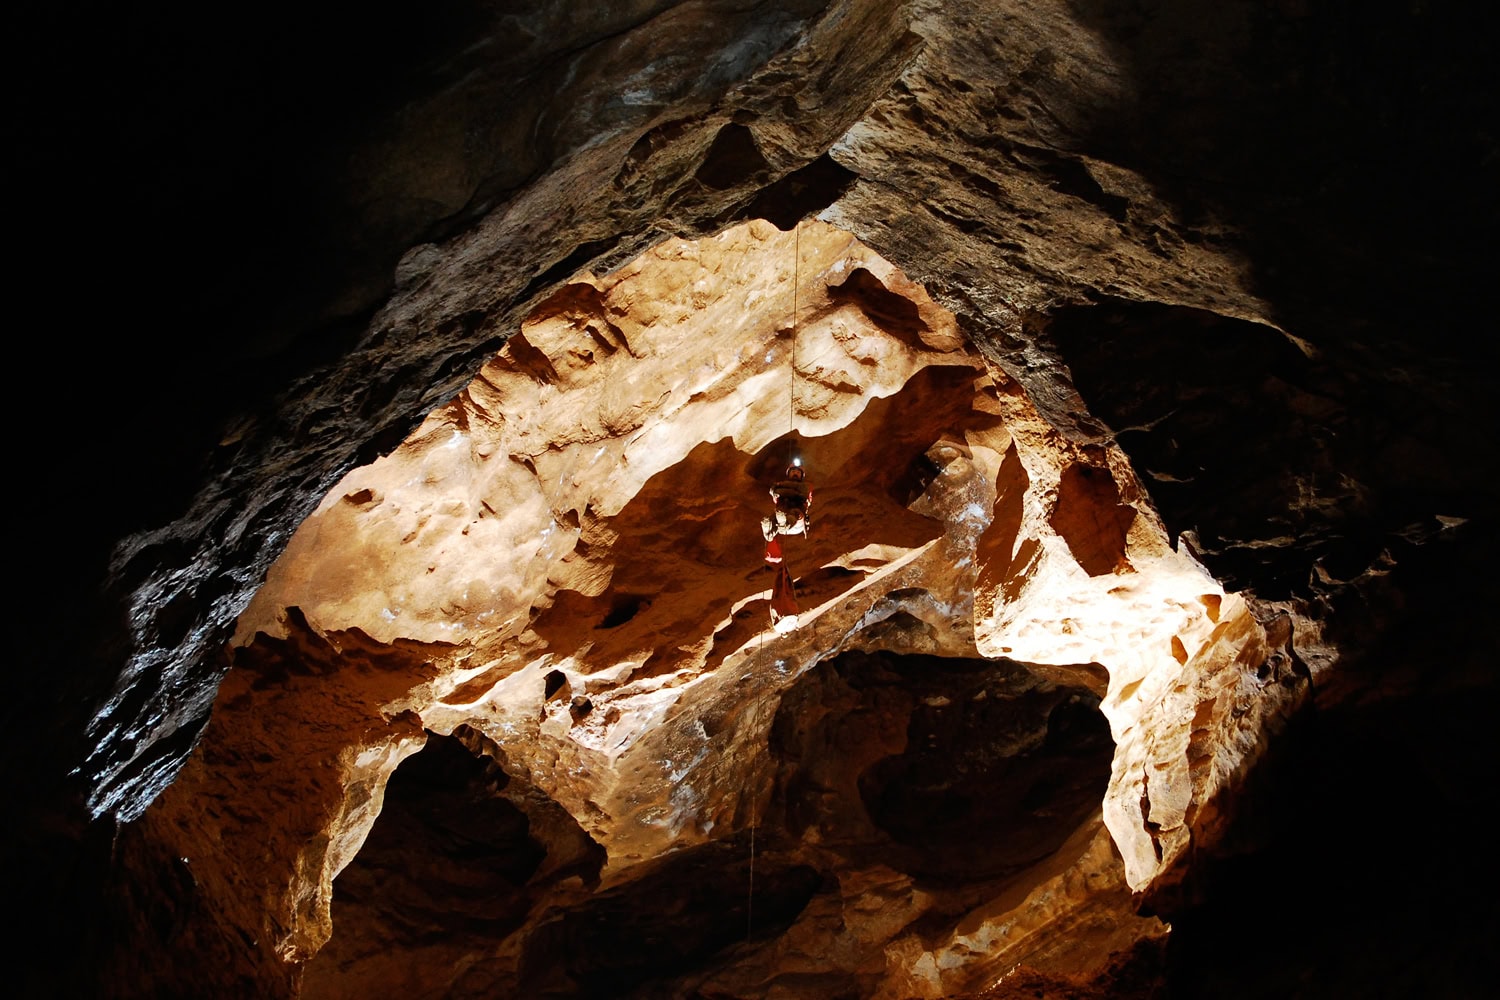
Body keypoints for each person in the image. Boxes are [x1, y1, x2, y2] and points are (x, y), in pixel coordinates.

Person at [761, 464, 812, 543]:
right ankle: (768, 532)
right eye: (793, 471)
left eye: (798, 472)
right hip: (783, 511)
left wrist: (781, 487)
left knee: (793, 514)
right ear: (789, 473)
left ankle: (784, 524)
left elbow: (799, 492)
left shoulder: (805, 486)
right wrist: (787, 491)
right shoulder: (779, 486)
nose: (795, 473)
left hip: (796, 519)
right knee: (774, 517)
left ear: (801, 475)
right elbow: (773, 491)